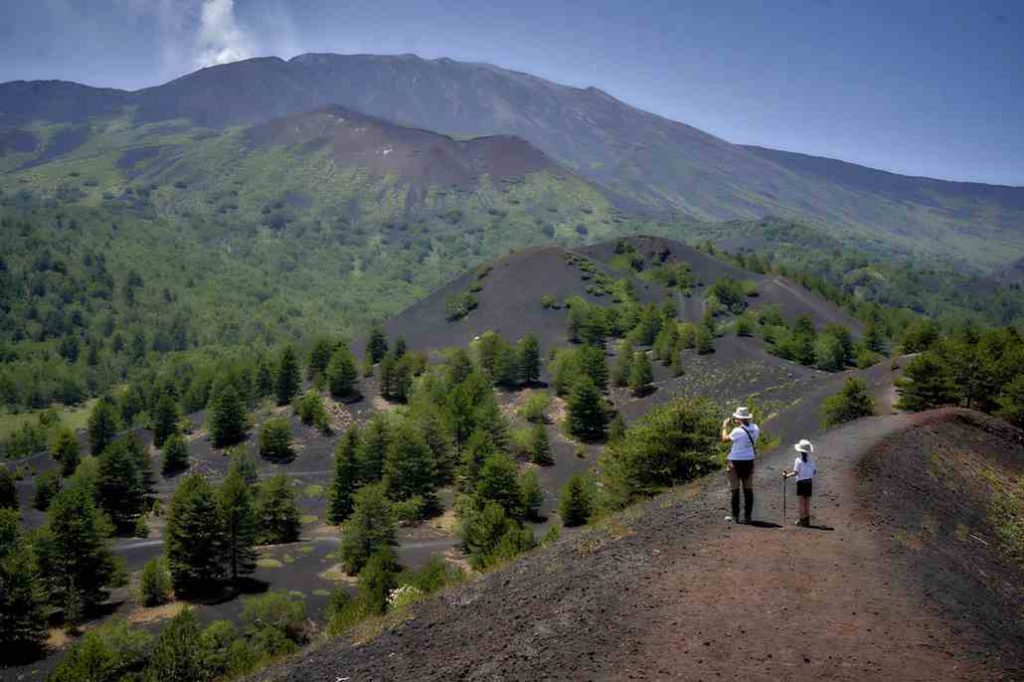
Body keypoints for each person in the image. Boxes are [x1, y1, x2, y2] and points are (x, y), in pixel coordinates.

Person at [721, 406, 759, 524]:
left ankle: (735, 516)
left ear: (739, 418)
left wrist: (724, 426)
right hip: (749, 461)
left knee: (735, 489)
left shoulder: (737, 431)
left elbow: (724, 439)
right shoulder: (755, 428)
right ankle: (748, 516)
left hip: (735, 462)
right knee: (748, 489)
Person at [784, 439, 816, 527]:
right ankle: (807, 519)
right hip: (809, 482)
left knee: (801, 501)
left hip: (801, 482)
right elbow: (814, 472)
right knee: (807, 502)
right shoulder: (812, 460)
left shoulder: (798, 460)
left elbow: (795, 472)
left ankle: (801, 519)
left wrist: (786, 475)